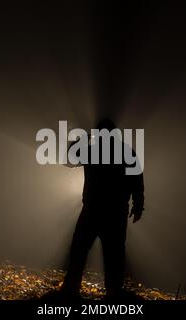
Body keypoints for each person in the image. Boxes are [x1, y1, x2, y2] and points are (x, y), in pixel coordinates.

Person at [61, 118, 144, 298]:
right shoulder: (126, 152)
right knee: (113, 255)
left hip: (92, 210)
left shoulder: (93, 152)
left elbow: (69, 158)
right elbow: (137, 180)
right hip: (114, 213)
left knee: (79, 251)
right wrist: (138, 205)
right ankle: (113, 294)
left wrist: (83, 139)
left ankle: (70, 290)